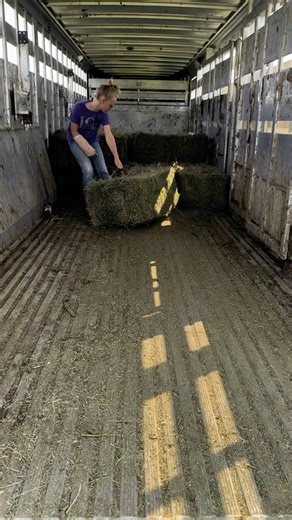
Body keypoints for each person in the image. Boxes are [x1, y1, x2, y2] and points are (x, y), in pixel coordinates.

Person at [67, 81, 123, 197]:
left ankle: (110, 199)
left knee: (103, 171)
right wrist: (86, 148)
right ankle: (88, 202)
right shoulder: (79, 108)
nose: (111, 108)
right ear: (103, 100)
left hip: (92, 141)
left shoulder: (103, 114)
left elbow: (108, 135)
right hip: (75, 140)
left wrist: (116, 158)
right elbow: (74, 131)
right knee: (88, 170)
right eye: (110, 105)